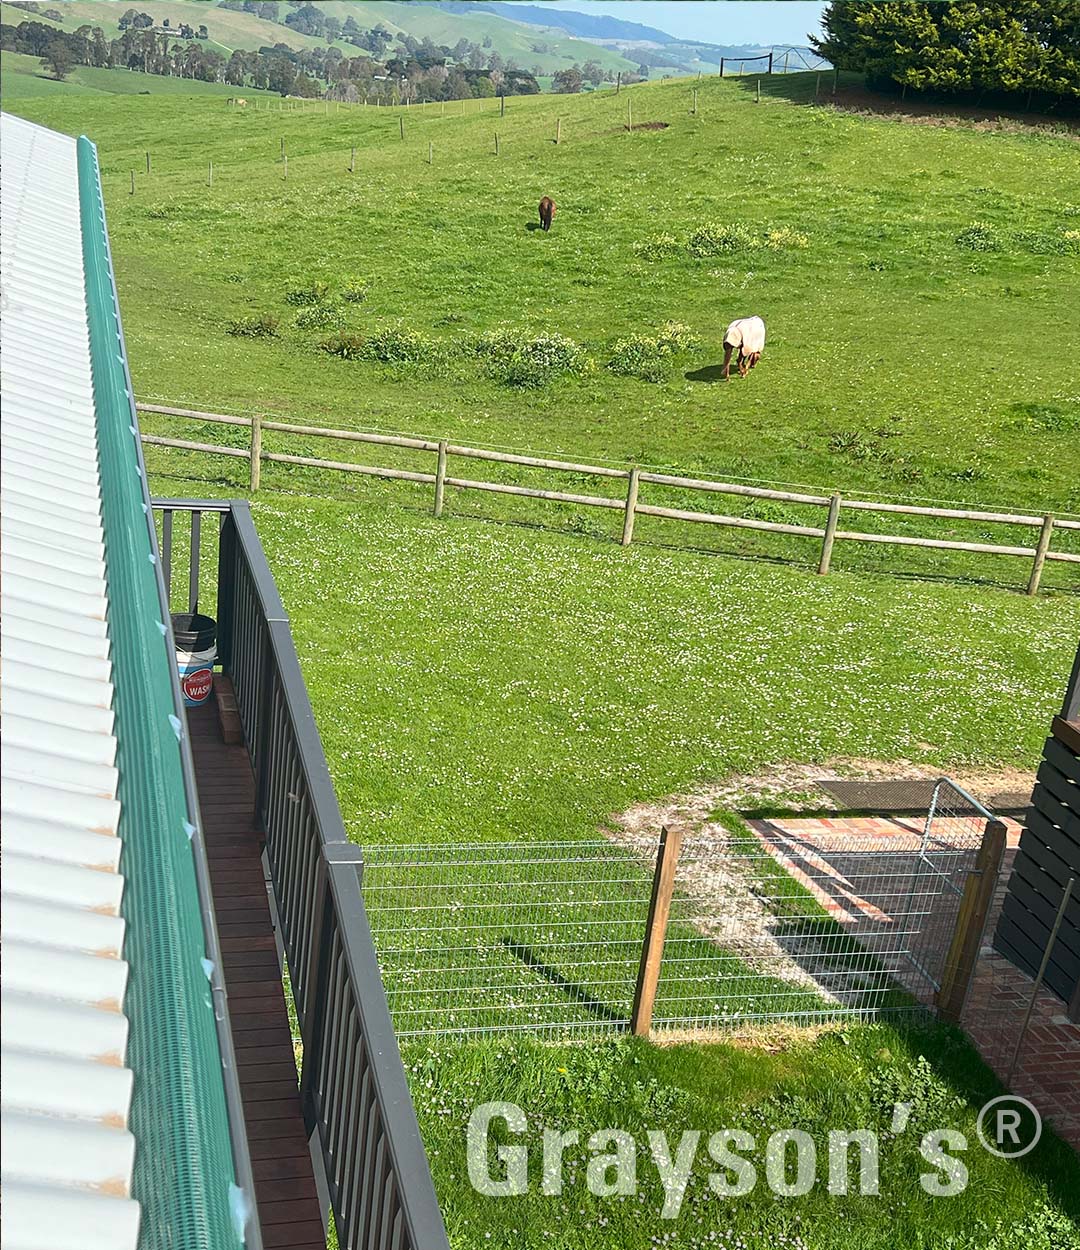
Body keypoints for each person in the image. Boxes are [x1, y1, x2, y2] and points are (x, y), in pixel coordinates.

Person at [722, 315, 765, 379]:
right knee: (748, 346)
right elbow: (746, 349)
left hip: (735, 326)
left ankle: (729, 369)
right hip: (741, 330)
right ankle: (740, 366)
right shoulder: (757, 328)